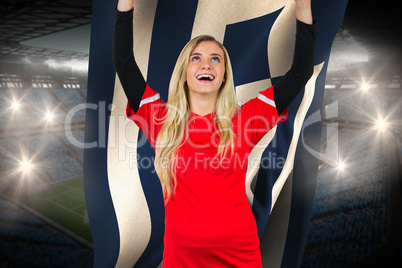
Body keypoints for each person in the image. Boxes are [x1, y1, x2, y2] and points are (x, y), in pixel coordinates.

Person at [113, 0, 315, 267]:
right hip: (181, 257)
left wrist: (303, 8)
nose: (205, 65)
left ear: (223, 76)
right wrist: (124, 5)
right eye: (196, 58)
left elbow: (300, 74)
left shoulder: (246, 120)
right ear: (184, 73)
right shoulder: (160, 119)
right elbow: (125, 63)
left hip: (239, 254)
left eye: (215, 59)